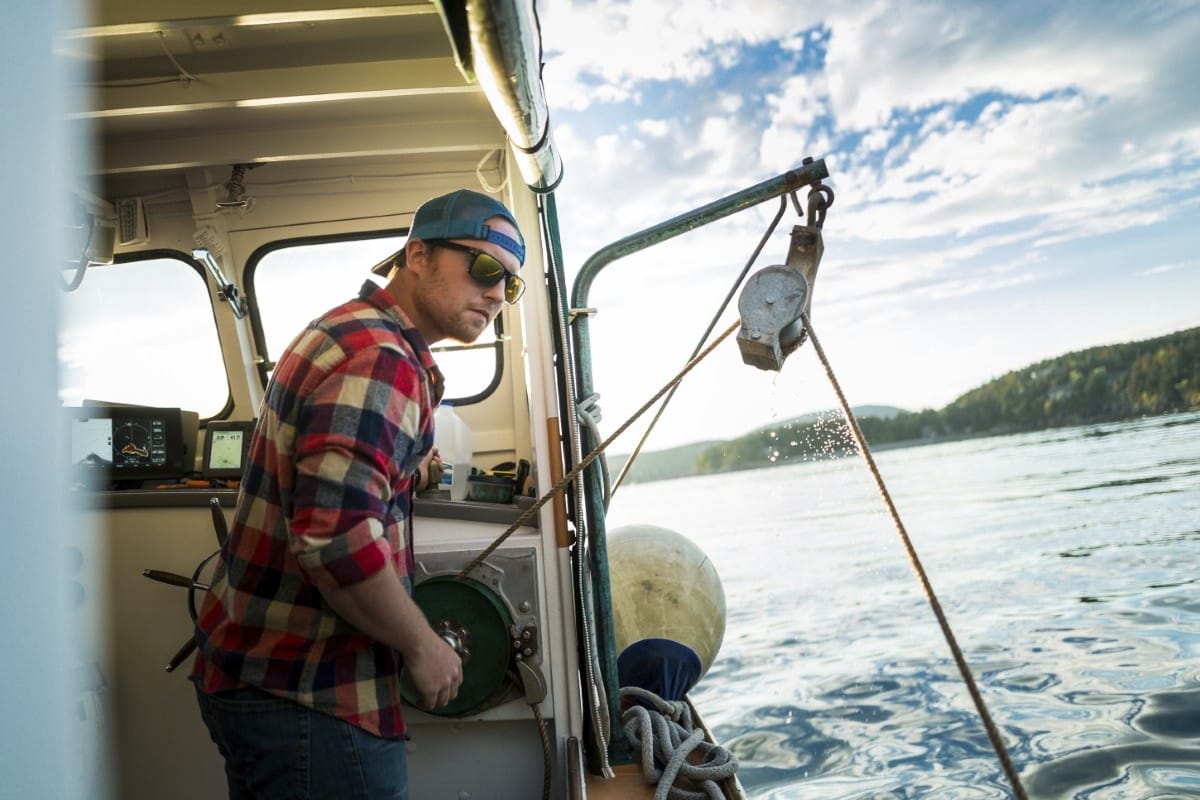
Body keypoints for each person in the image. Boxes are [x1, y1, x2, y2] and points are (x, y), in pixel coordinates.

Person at [191, 188, 527, 799]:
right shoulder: (380, 360)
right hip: (309, 691)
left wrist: (405, 467)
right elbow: (336, 538)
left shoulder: (349, 330)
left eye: (510, 283)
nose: (497, 294)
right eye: (484, 268)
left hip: (256, 672)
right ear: (418, 255)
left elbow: (332, 474)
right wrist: (423, 646)